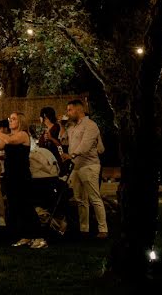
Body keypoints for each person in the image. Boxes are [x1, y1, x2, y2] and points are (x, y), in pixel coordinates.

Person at [0, 112, 44, 248]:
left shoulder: (23, 135)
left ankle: (39, 236)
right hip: (10, 174)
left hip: (21, 175)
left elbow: (8, 141)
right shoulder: (10, 136)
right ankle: (25, 235)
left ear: (20, 122)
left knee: (25, 205)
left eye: (13, 119)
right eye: (10, 119)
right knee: (15, 206)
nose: (10, 121)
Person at [62, 99, 108, 238]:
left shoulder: (90, 125)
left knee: (94, 198)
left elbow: (85, 145)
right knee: (80, 200)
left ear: (79, 110)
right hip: (76, 166)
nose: (67, 113)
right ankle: (84, 229)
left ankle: (103, 229)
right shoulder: (72, 127)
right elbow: (64, 141)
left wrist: (72, 155)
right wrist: (63, 127)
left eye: (70, 110)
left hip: (89, 165)